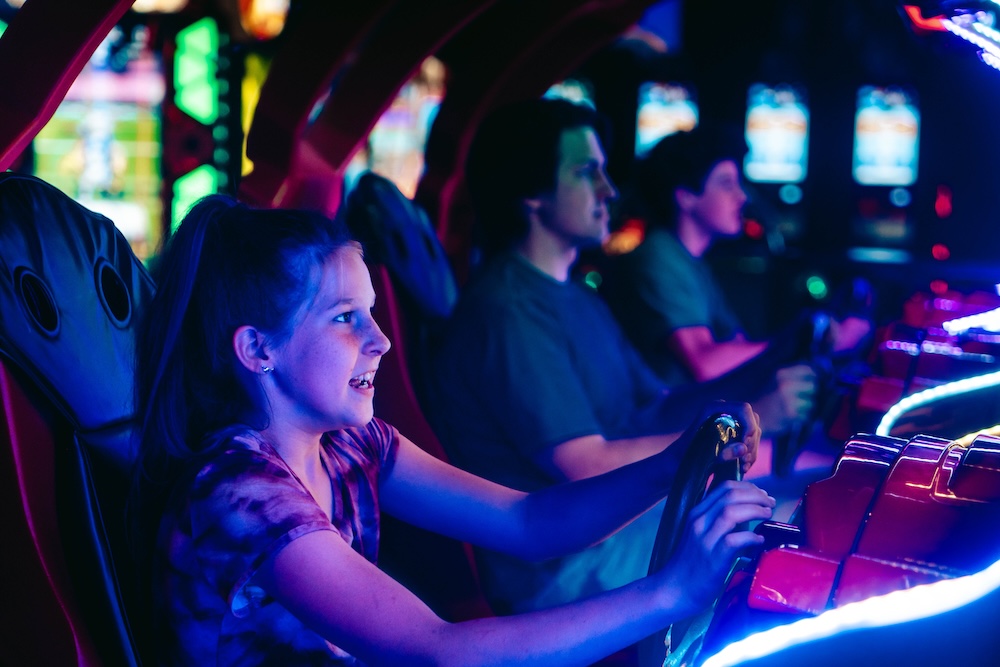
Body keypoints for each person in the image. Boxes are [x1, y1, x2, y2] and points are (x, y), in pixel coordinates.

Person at [131, 194, 774, 666]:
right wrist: (669, 592)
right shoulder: (240, 494)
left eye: (373, 314)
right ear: (257, 350)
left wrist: (671, 466)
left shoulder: (355, 445)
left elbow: (530, 524)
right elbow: (438, 652)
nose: (379, 341)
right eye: (345, 319)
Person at [426, 98, 769, 615]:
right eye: (588, 174)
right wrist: (708, 442)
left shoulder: (579, 297)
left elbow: (656, 407)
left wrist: (742, 410)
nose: (608, 191)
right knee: (790, 534)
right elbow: (585, 465)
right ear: (532, 194)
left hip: (620, 525)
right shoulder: (509, 312)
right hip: (562, 568)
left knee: (802, 504)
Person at [601, 124, 870, 434]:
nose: (741, 197)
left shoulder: (691, 263)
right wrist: (806, 339)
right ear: (686, 196)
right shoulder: (658, 257)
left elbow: (737, 347)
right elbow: (705, 364)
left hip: (695, 428)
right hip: (662, 438)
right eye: (726, 184)